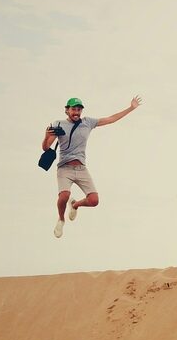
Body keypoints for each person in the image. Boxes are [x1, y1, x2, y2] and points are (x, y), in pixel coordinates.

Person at [42, 95, 142, 238]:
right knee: (64, 195)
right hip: (65, 168)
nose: (76, 112)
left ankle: (75, 205)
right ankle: (61, 219)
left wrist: (131, 108)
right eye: (73, 109)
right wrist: (46, 136)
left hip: (81, 168)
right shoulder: (58, 124)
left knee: (94, 200)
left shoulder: (88, 122)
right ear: (67, 110)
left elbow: (110, 119)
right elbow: (46, 148)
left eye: (79, 109)